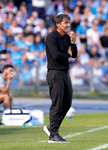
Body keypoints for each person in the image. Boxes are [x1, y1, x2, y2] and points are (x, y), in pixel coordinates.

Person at [43, 14, 77, 143]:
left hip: (64, 73)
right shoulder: (51, 37)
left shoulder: (67, 37)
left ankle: (51, 127)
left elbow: (74, 55)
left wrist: (73, 42)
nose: (68, 25)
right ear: (58, 24)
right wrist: (68, 54)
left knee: (67, 104)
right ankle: (53, 135)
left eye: (69, 22)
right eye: (66, 23)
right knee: (56, 104)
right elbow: (56, 55)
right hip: (55, 73)